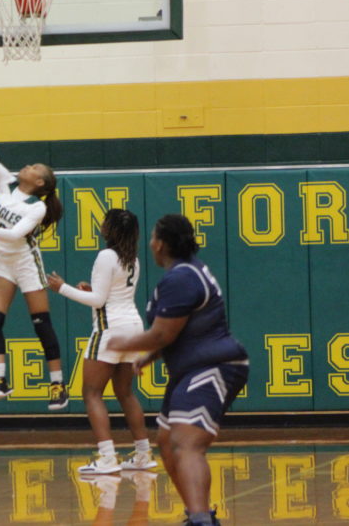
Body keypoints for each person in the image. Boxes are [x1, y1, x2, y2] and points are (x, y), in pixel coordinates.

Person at [107, 214, 248, 526]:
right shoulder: (184, 274)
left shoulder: (181, 278)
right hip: (190, 367)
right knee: (169, 444)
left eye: (154, 238)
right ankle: (198, 514)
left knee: (186, 445)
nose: (151, 243)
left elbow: (162, 334)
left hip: (213, 364)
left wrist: (123, 343)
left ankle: (201, 519)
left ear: (159, 244)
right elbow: (175, 333)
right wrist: (148, 357)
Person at [0, 99, 67, 410]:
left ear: (39, 182)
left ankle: (58, 384)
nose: (28, 166)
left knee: (40, 323)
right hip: (2, 262)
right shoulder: (5, 181)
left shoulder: (38, 207)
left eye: (35, 168)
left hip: (24, 262)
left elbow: (15, 235)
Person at [45, 208, 155, 474]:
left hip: (110, 328)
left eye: (105, 223)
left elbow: (98, 302)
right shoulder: (133, 259)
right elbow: (109, 295)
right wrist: (91, 290)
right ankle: (143, 454)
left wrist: (63, 288)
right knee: (125, 392)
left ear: (112, 229)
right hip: (132, 326)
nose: (101, 226)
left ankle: (107, 457)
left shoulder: (106, 255)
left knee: (91, 392)